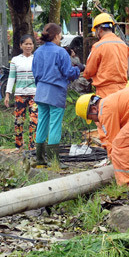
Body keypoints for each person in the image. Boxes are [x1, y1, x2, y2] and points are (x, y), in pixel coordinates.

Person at [32, 23, 83, 166]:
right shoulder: (60, 52)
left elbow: (35, 73)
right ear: (56, 36)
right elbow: (68, 73)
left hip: (41, 91)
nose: (61, 37)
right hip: (55, 92)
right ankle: (54, 161)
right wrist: (78, 69)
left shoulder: (38, 52)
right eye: (60, 34)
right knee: (54, 124)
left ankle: (40, 159)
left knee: (42, 123)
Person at [82, 13, 129, 97]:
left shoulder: (98, 46)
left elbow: (88, 72)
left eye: (96, 30)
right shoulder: (123, 45)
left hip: (105, 92)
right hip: (122, 92)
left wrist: (86, 74)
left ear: (99, 29)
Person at [4, 34, 38, 151]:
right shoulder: (15, 60)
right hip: (19, 94)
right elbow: (11, 78)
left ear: (33, 45)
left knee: (34, 120)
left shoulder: (37, 59)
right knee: (19, 120)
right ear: (21, 45)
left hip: (34, 94)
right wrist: (7, 94)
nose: (28, 46)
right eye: (26, 44)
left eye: (30, 44)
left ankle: (32, 147)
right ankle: (19, 146)